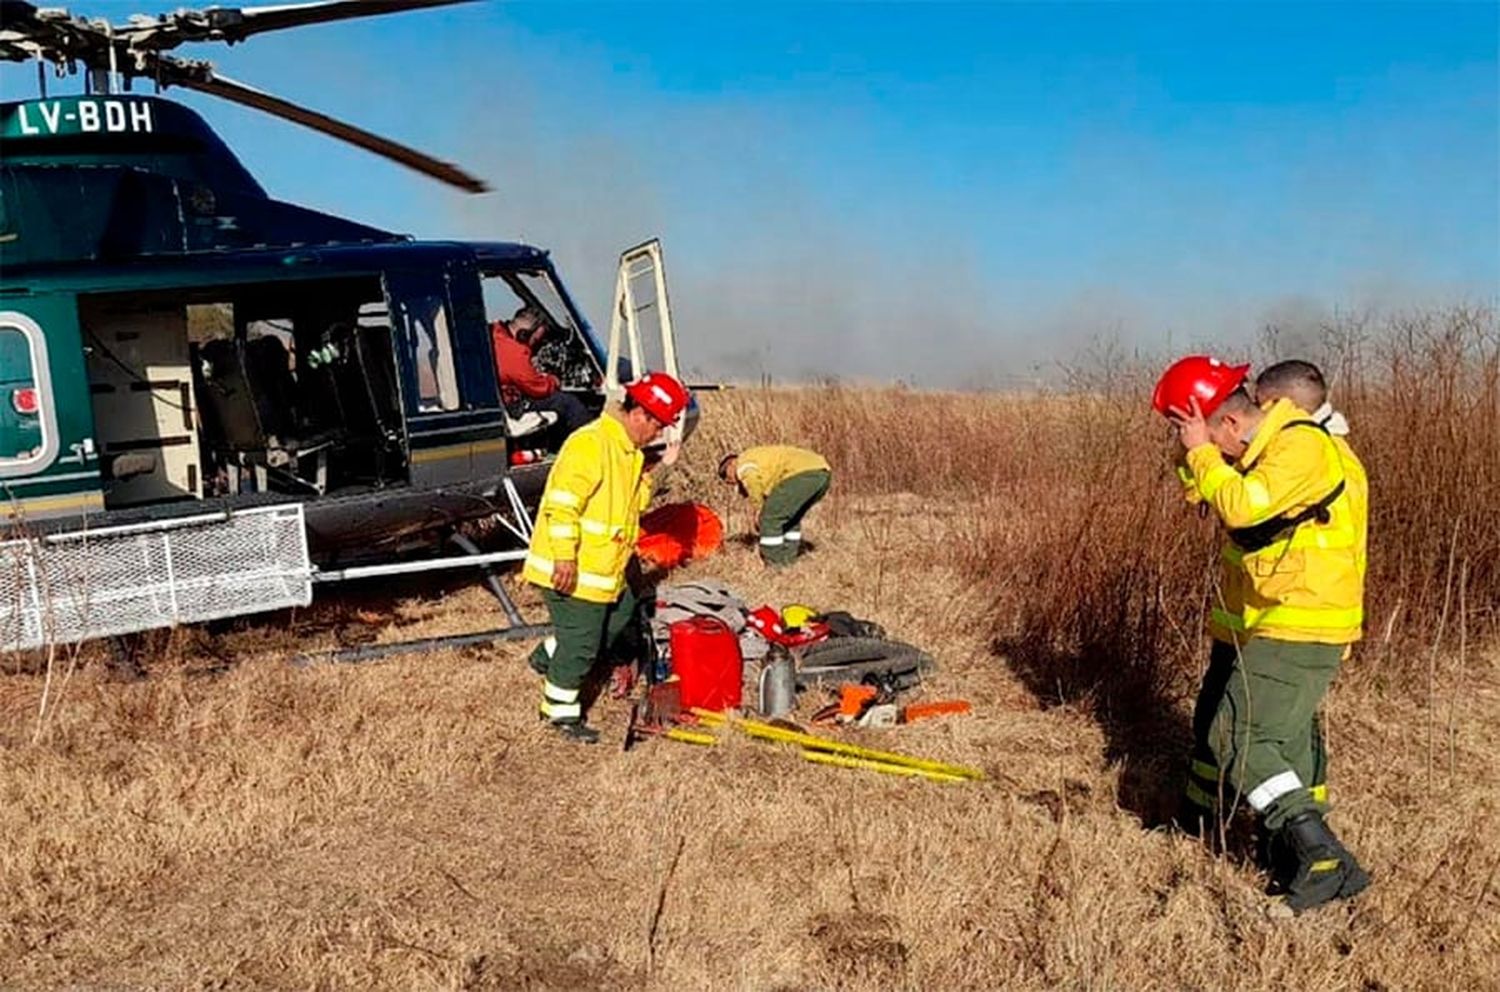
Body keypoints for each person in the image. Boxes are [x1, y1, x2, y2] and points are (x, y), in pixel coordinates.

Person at [1154, 354, 1368, 913]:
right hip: (1272, 618)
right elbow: (1213, 493)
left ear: (1227, 423)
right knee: (1273, 739)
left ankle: (1320, 854)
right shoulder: (1268, 449)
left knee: (1240, 738)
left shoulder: (1301, 445)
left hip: (1302, 619)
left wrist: (1201, 450)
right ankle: (1289, 850)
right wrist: (1196, 457)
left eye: (1198, 430)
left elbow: (1243, 506)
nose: (1195, 444)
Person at [522, 371, 690, 743]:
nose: (659, 434)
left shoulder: (628, 451)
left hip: (605, 568)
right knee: (583, 646)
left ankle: (549, 654)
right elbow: (562, 504)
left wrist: (660, 467)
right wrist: (565, 557)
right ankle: (558, 712)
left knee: (619, 616)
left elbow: (635, 503)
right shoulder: (592, 444)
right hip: (573, 567)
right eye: (659, 426)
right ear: (640, 414)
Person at [716, 445, 831, 566]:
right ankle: (788, 559)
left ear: (731, 465)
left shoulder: (742, 462)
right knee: (790, 518)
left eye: (728, 478)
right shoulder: (758, 458)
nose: (732, 483)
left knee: (769, 517)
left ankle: (774, 564)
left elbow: (751, 479)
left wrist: (758, 508)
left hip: (802, 474)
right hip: (822, 474)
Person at [490, 306, 591, 436]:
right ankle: (592, 445)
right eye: (535, 341)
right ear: (523, 334)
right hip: (509, 405)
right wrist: (553, 380)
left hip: (498, 400)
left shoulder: (494, 333)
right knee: (567, 403)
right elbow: (538, 388)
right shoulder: (513, 350)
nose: (532, 347)